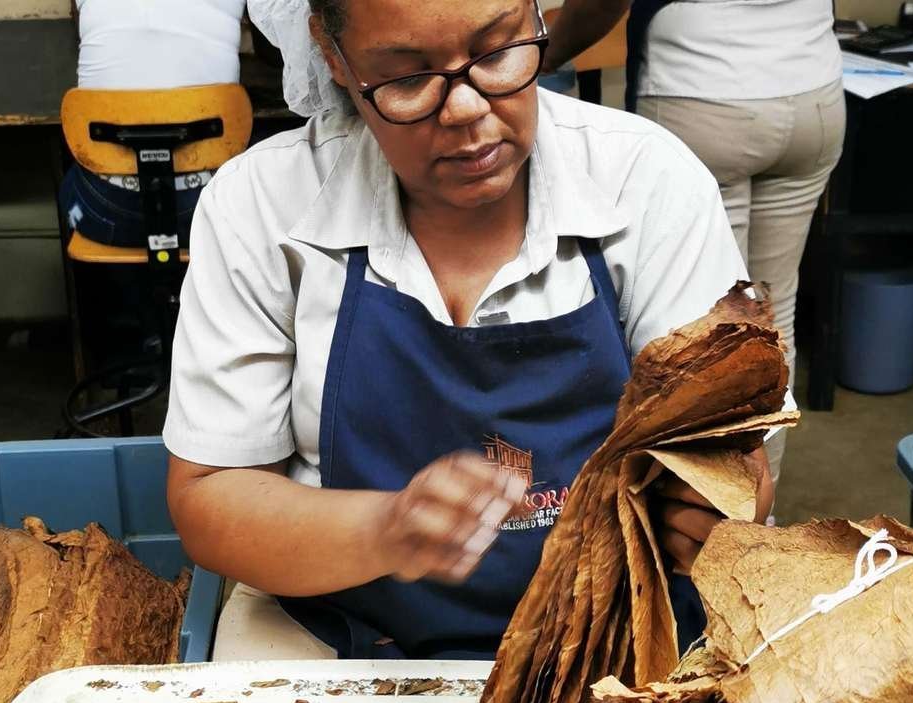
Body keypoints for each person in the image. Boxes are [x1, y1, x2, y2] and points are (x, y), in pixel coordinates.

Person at [165, 0, 785, 662]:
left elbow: (731, 458)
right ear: (333, 57)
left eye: (496, 54)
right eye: (407, 79)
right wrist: (382, 530)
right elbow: (210, 495)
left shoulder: (644, 180)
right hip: (345, 633)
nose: (465, 110)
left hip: (613, 637)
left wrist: (708, 500)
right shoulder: (263, 206)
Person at [544, 0, 846, 484]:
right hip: (814, 93)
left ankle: (729, 520)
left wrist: (542, 51)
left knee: (711, 337)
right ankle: (758, 520)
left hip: (704, 93)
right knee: (770, 313)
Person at [58, 0, 246, 249]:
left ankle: (127, 287)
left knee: (64, 173)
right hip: (211, 211)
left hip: (104, 210)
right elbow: (274, 46)